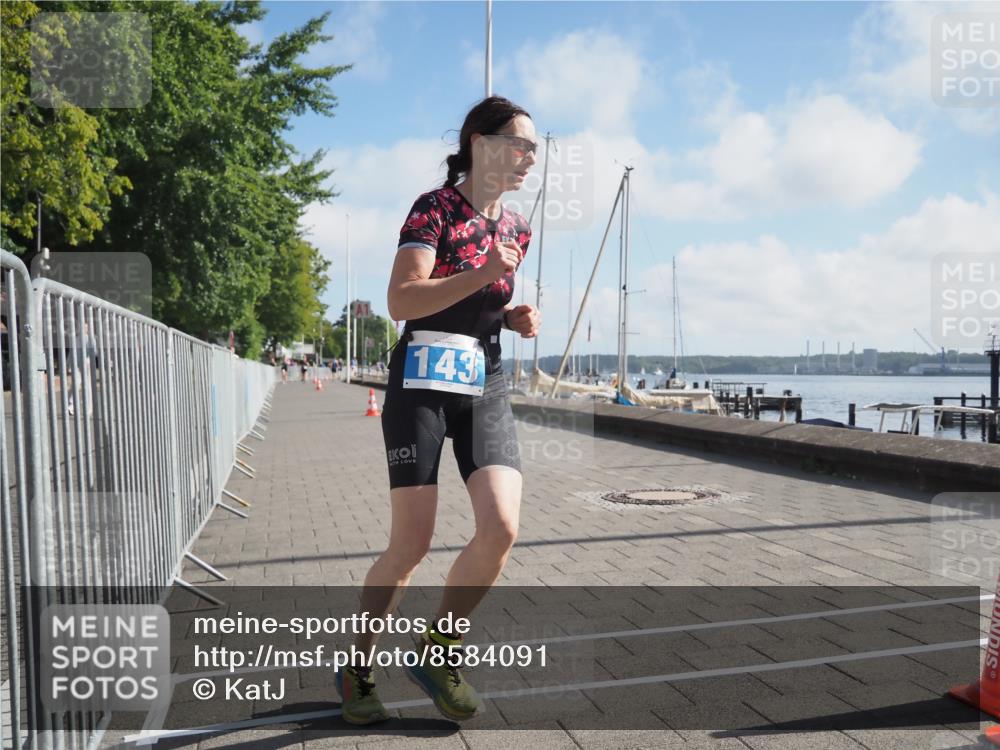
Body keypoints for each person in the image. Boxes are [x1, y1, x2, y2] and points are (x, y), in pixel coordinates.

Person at [335, 96, 541, 724]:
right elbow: (403, 300)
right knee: (412, 543)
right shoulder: (435, 209)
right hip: (421, 383)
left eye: (536, 149)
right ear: (481, 144)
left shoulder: (517, 226)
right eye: (520, 144)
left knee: (502, 526)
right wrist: (481, 276)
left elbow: (480, 302)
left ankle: (438, 649)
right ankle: (359, 667)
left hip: (484, 378)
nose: (530, 157)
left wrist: (511, 314)